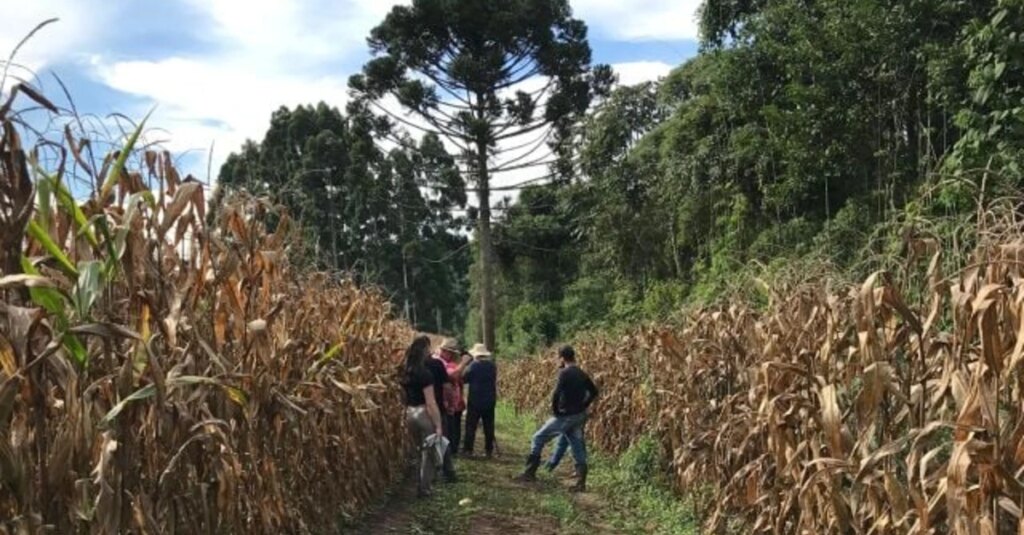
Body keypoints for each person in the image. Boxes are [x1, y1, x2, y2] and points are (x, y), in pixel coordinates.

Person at [515, 345, 598, 492]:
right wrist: (584, 405)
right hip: (579, 415)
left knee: (538, 438)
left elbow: (556, 394)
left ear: (562, 358)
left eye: (557, 357)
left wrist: (556, 411)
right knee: (577, 446)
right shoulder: (581, 373)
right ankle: (581, 483)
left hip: (566, 415)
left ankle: (529, 473)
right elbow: (594, 391)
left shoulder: (564, 373)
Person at [401, 334, 447, 497]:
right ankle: (424, 488)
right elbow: (431, 402)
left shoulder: (406, 371)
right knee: (428, 453)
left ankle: (414, 484)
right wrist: (439, 425)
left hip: (408, 413)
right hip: (422, 414)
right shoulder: (425, 373)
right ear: (425, 351)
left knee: (416, 450)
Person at [424, 339, 457, 482]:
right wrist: (450, 405)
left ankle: (428, 476)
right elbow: (448, 387)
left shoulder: (412, 365)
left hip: (416, 409)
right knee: (442, 440)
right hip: (436, 407)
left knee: (424, 443)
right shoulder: (437, 364)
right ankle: (448, 473)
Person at [462, 343, 498, 458]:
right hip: (490, 399)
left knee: (471, 426)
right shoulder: (492, 366)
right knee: (489, 426)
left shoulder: (473, 366)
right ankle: (488, 450)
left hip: (475, 400)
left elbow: (464, 379)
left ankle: (468, 450)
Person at [435, 338, 468, 459]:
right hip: (445, 402)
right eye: (449, 352)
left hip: (454, 402)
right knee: (448, 428)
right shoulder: (439, 362)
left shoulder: (450, 363)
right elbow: (452, 376)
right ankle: (447, 454)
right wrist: (464, 363)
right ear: (443, 351)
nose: (451, 355)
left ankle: (453, 450)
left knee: (454, 427)